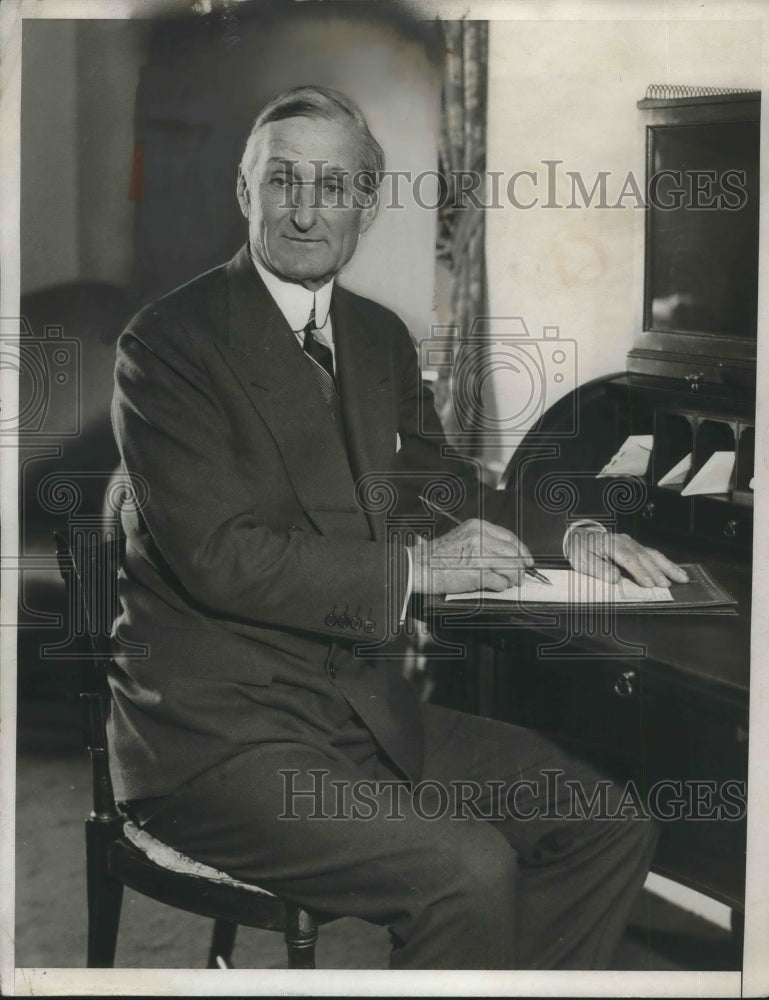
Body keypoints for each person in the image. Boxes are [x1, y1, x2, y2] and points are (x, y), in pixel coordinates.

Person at [109, 85, 687, 970]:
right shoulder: (168, 343)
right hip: (216, 740)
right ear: (244, 191)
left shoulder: (376, 337)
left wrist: (567, 536)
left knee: (606, 823)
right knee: (466, 871)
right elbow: (222, 560)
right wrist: (419, 571)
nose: (304, 210)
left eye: (332, 186)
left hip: (357, 714)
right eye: (283, 181)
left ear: (367, 205)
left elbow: (442, 488)